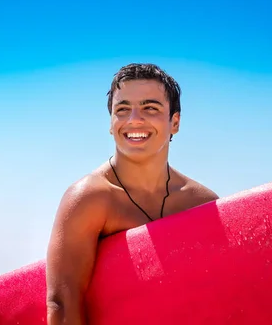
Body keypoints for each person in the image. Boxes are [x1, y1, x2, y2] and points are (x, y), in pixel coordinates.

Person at [45, 63, 219, 324]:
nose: (134, 119)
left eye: (150, 108)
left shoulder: (201, 203)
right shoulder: (91, 198)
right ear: (111, 123)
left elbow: (217, 292)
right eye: (122, 110)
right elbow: (62, 303)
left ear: (175, 122)